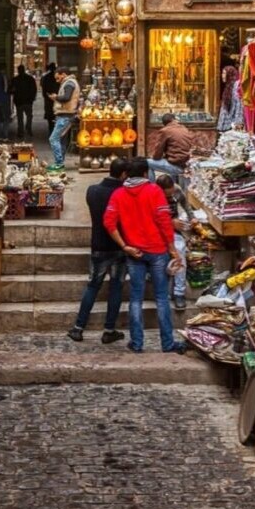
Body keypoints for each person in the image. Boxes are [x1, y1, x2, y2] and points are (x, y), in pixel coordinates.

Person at [103, 157, 185, 354]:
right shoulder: (154, 191)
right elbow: (164, 221)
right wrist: (172, 248)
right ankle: (167, 343)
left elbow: (109, 222)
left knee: (136, 298)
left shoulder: (118, 194)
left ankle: (137, 342)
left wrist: (124, 246)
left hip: (135, 252)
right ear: (145, 173)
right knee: (162, 298)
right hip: (157, 251)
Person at [67, 157, 129, 344]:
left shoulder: (92, 191)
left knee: (93, 286)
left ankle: (79, 327)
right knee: (116, 287)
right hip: (119, 247)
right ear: (124, 174)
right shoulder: (124, 194)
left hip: (99, 246)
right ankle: (109, 329)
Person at [155, 172, 190, 311]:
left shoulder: (176, 191)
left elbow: (186, 205)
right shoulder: (152, 196)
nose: (169, 197)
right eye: (167, 195)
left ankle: (179, 292)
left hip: (172, 231)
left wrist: (191, 217)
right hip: (156, 231)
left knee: (179, 251)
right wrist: (170, 223)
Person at [47, 66, 79, 172]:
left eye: (58, 78)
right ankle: (60, 163)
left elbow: (66, 98)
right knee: (62, 140)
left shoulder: (69, 83)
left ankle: (59, 163)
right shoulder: (70, 82)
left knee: (53, 138)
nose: (57, 81)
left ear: (63, 74)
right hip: (66, 115)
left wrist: (55, 97)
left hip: (65, 116)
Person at [147, 112, 193, 183]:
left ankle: (152, 189)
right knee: (170, 160)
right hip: (186, 164)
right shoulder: (184, 129)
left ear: (164, 124)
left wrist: (156, 157)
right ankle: (173, 187)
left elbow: (157, 154)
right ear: (174, 119)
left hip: (176, 165)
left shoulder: (165, 130)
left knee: (146, 163)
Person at [8, 64, 37, 139]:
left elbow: (10, 90)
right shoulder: (30, 78)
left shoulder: (15, 80)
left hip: (19, 101)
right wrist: (32, 98)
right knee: (29, 116)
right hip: (28, 101)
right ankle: (28, 128)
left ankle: (21, 132)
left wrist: (13, 93)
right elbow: (34, 89)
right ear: (24, 69)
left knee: (20, 117)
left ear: (18, 70)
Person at [40, 62, 57, 127]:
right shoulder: (56, 76)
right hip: (56, 98)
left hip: (48, 98)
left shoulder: (46, 77)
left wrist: (45, 96)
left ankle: (51, 130)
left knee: (50, 117)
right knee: (55, 115)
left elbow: (43, 87)